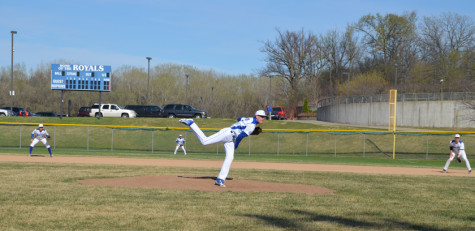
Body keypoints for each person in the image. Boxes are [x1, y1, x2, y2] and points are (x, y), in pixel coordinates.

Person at [179, 110, 266, 187]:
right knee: (205, 141)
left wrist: (242, 126)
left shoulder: (249, 119)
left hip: (230, 139)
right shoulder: (251, 126)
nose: (263, 118)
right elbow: (240, 136)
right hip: (227, 133)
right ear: (256, 116)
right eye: (261, 116)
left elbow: (239, 119)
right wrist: (236, 145)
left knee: (230, 157)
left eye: (264, 117)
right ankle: (192, 123)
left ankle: (220, 179)